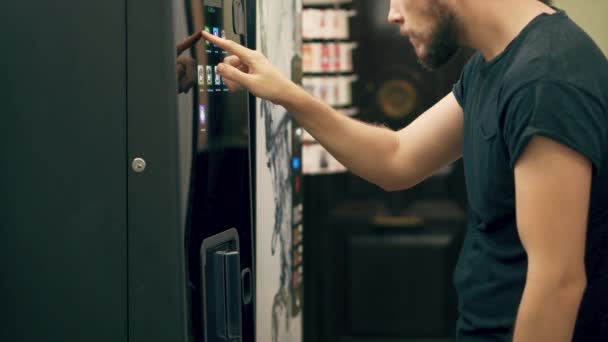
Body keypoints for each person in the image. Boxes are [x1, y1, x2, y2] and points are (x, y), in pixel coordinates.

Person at [202, 0, 608, 340]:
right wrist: (288, 94)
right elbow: (399, 158)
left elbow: (557, 283)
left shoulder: (546, 78)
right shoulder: (495, 65)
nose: (392, 13)